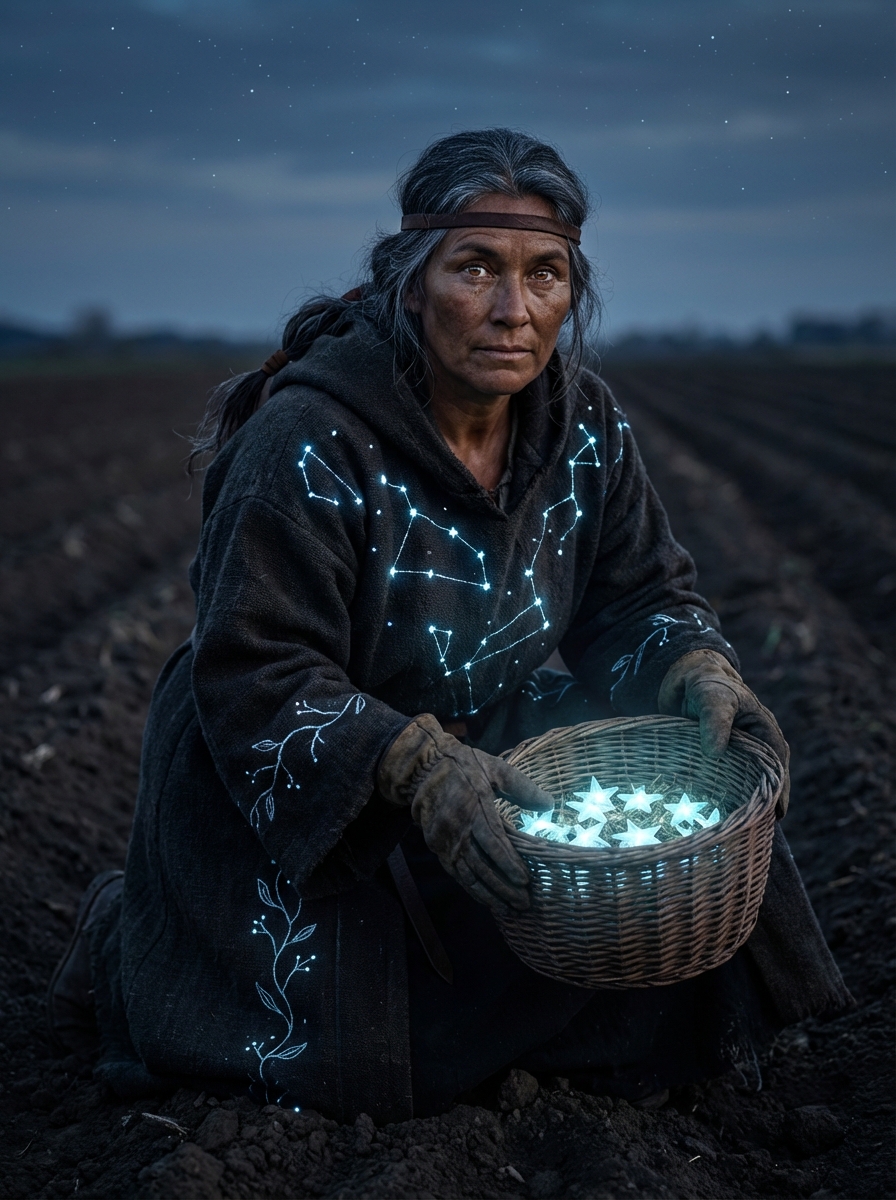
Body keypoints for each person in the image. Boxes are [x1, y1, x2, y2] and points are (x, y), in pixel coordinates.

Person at [48, 129, 850, 1123]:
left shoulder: (583, 427)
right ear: (411, 282)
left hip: (487, 755)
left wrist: (693, 667)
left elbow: (641, 591)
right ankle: (135, 936)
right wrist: (412, 768)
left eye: (543, 274)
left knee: (669, 987)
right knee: (364, 1058)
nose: (513, 310)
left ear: (573, 292)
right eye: (476, 268)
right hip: (315, 780)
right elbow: (256, 669)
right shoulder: (307, 442)